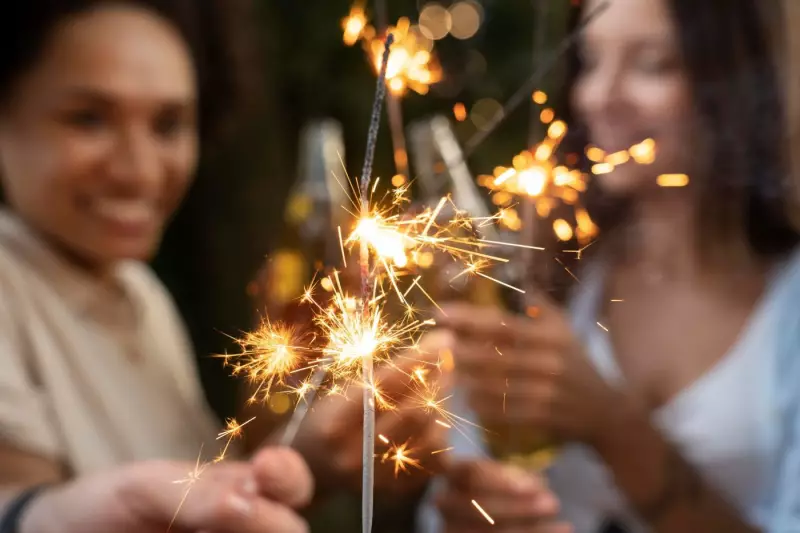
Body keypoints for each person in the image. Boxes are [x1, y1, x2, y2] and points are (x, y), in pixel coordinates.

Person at [423, 0, 800, 532]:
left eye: (651, 64)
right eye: (591, 61)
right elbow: (453, 485)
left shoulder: (787, 305)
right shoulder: (548, 270)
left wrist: (613, 426)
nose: (600, 96)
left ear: (735, 79)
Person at [0, 1, 312, 531]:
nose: (140, 172)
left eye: (168, 125)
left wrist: (306, 445)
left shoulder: (138, 292)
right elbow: (20, 501)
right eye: (89, 119)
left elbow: (201, 491)